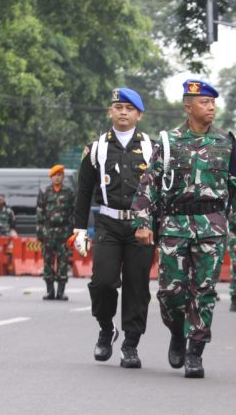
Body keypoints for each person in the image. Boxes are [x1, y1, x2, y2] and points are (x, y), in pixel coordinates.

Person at [132, 78, 236, 379]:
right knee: (170, 293)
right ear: (188, 107)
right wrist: (143, 221)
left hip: (212, 225)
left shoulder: (227, 143)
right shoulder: (170, 142)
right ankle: (177, 330)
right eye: (204, 103)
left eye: (213, 102)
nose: (210, 107)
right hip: (175, 225)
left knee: (205, 291)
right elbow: (150, 183)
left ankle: (195, 351)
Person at [71, 87, 156, 369]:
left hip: (140, 225)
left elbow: (161, 191)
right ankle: (106, 328)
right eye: (118, 107)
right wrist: (80, 229)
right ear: (110, 111)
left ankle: (131, 344)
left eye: (129, 109)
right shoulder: (96, 148)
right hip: (107, 223)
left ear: (139, 115)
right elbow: (84, 190)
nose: (123, 112)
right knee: (103, 281)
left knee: (136, 286)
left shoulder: (151, 148)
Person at [36, 164, 75, 301]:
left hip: (64, 231)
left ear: (63, 177)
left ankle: (61, 291)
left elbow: (73, 213)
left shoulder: (69, 193)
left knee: (63, 261)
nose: (57, 177)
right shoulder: (45, 192)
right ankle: (50, 291)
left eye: (59, 175)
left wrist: (73, 233)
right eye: (54, 175)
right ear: (51, 177)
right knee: (48, 261)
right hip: (48, 231)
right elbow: (40, 213)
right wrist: (40, 233)